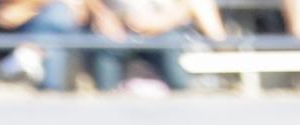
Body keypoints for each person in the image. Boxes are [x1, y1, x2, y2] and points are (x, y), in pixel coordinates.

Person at [89, 0, 221, 91]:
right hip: (120, 30)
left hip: (168, 30)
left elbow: (196, 5)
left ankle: (182, 99)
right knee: (107, 49)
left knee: (171, 47)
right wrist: (103, 15)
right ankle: (105, 98)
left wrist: (162, 22)